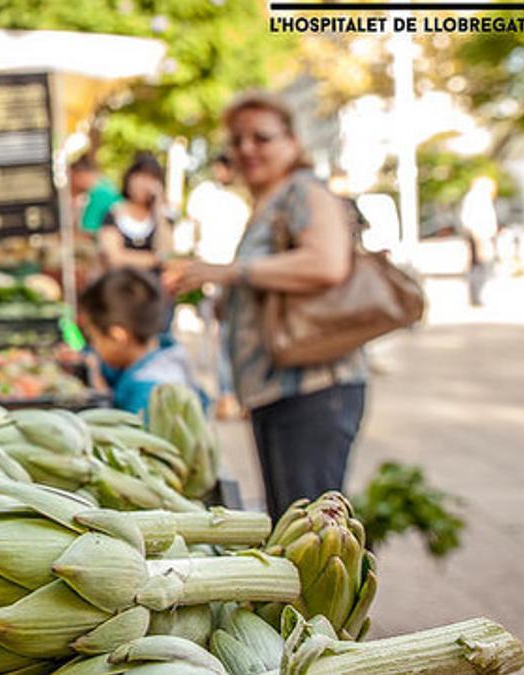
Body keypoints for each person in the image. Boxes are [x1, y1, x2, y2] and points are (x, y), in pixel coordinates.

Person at [164, 92, 368, 521]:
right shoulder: (268, 203)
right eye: (237, 141)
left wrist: (232, 273)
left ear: (292, 142)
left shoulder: (304, 192)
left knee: (312, 533)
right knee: (290, 524)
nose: (246, 149)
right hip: (275, 389)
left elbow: (327, 263)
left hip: (314, 388)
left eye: (261, 137)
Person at [78, 268, 204, 424]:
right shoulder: (165, 349)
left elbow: (129, 439)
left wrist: (100, 390)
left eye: (93, 338)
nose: (94, 347)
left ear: (118, 336)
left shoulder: (147, 395)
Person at [186, 153, 251, 420]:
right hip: (217, 273)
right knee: (222, 337)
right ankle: (229, 395)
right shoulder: (210, 197)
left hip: (230, 274)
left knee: (225, 338)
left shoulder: (239, 200)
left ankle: (233, 394)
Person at [98, 153, 175, 272]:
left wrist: (158, 207)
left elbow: (166, 255)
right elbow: (114, 258)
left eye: (151, 179)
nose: (144, 184)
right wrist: (153, 259)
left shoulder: (162, 217)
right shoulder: (113, 214)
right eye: (140, 177)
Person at [460, 176, 498, 307]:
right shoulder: (478, 198)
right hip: (479, 236)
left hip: (481, 236)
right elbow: (474, 222)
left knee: (480, 267)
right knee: (480, 267)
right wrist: (480, 242)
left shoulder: (476, 197)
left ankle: (476, 296)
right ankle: (476, 297)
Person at [68, 153, 122, 234]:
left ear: (79, 175)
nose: (69, 184)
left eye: (71, 178)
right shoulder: (106, 185)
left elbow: (88, 230)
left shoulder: (99, 193)